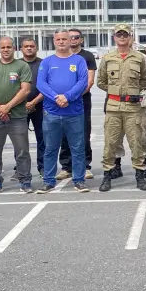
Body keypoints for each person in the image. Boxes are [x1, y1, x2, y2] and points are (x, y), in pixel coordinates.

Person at [97, 23, 146, 192]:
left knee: (136, 143)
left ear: (130, 37)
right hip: (113, 107)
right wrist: (116, 91)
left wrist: (132, 91)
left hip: (133, 107)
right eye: (119, 35)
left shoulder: (139, 58)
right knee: (110, 143)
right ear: (114, 38)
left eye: (125, 35)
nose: (122, 37)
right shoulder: (107, 58)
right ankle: (107, 175)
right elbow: (101, 81)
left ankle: (140, 176)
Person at [35, 29, 90, 193]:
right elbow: (41, 83)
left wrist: (67, 97)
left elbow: (83, 82)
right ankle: (48, 181)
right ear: (54, 41)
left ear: (70, 41)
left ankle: (79, 180)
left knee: (77, 149)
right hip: (52, 112)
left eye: (64, 39)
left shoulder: (79, 60)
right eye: (58, 39)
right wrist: (55, 97)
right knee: (50, 149)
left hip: (74, 113)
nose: (61, 42)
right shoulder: (47, 62)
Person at [0, 37, 33, 194]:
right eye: (3, 47)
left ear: (14, 48)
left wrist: (8, 107)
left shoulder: (22, 66)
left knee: (22, 151)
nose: (6, 50)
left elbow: (25, 90)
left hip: (17, 116)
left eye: (9, 47)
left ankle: (25, 180)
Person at [56, 29, 97, 181]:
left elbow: (89, 82)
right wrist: (62, 98)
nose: (73, 39)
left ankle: (85, 166)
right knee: (64, 134)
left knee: (83, 133)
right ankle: (66, 167)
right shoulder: (60, 56)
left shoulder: (87, 56)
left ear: (81, 39)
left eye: (76, 37)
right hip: (62, 102)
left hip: (81, 100)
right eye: (70, 37)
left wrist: (71, 97)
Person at [18, 38, 44, 180]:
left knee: (43, 138)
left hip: (40, 105)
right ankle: (20, 169)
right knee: (20, 140)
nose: (29, 48)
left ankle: (43, 167)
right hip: (19, 107)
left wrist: (34, 102)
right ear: (21, 48)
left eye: (32, 46)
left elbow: (48, 86)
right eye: (26, 46)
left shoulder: (43, 64)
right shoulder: (16, 64)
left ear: (36, 48)